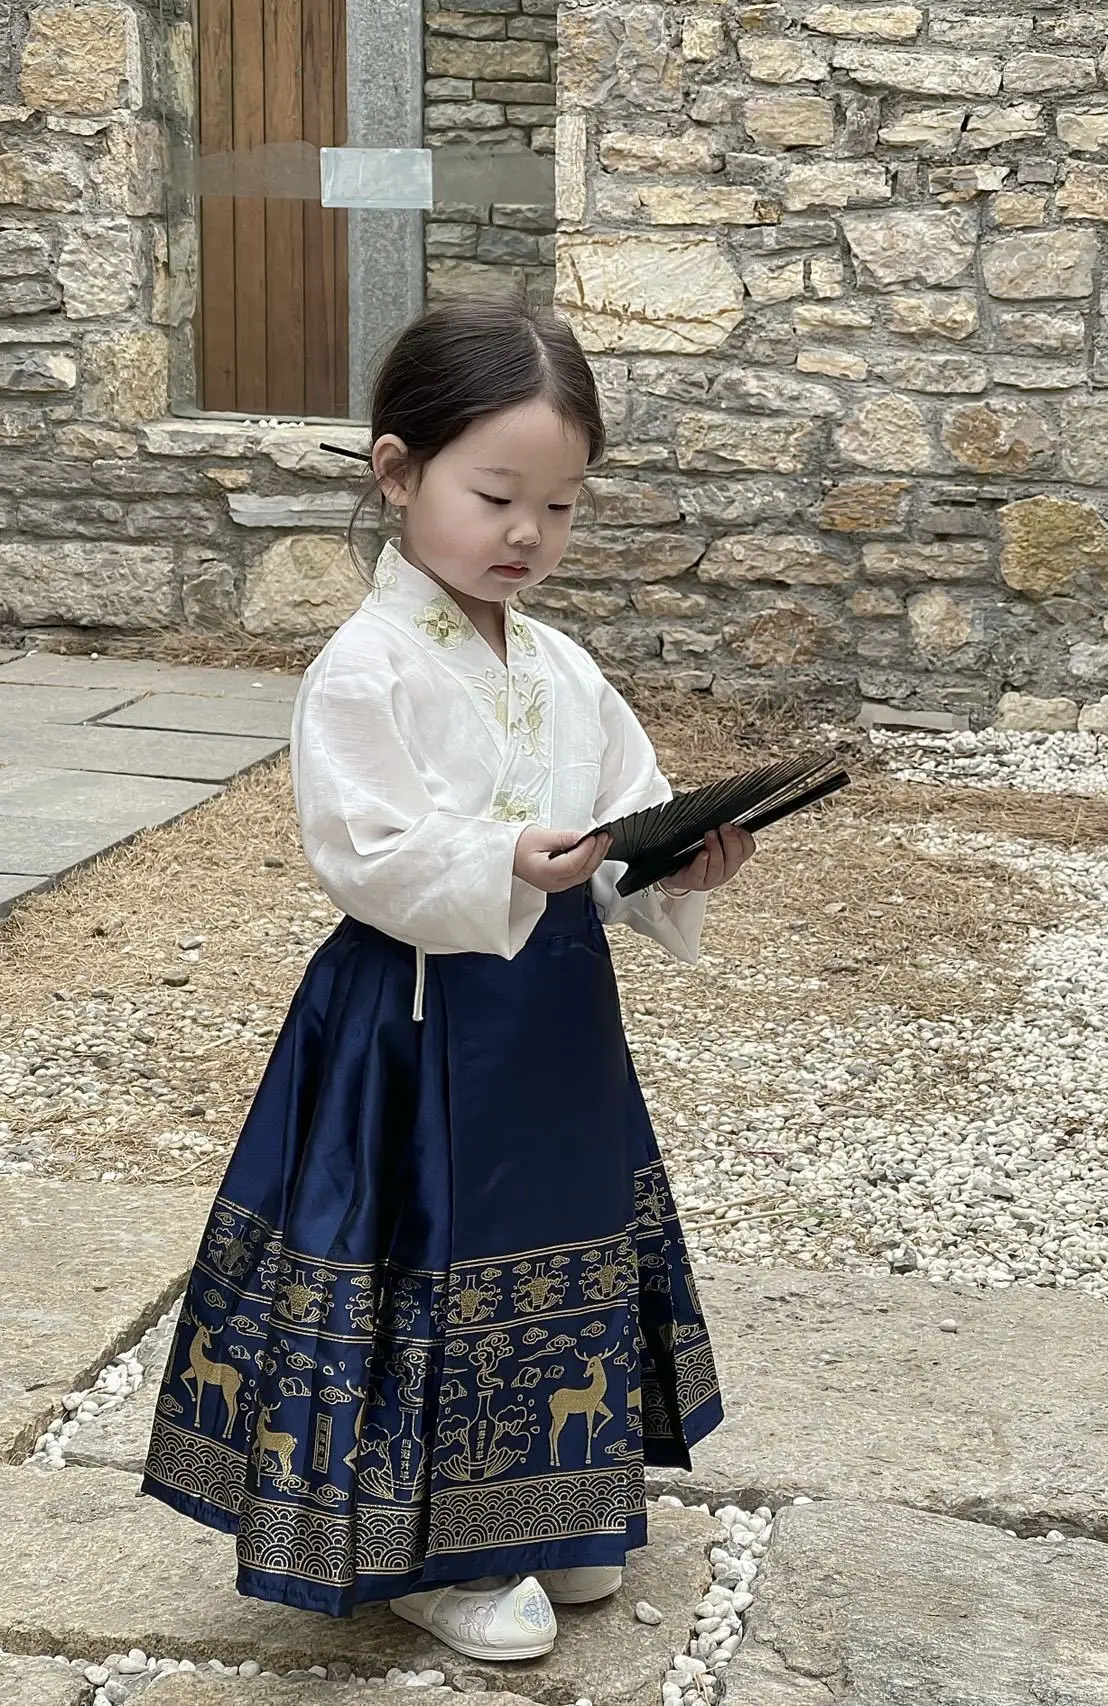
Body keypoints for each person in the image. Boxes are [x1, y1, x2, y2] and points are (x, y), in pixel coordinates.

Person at [140, 294, 756, 1659]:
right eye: (497, 495)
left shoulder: (563, 665)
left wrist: (673, 862)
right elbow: (365, 848)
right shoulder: (364, 670)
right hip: (414, 1027)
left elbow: (620, 824)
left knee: (557, 1252)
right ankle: (428, 1555)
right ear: (398, 470)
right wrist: (499, 857)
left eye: (562, 504)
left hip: (554, 1024)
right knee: (430, 1267)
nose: (529, 533)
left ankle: (552, 1513)